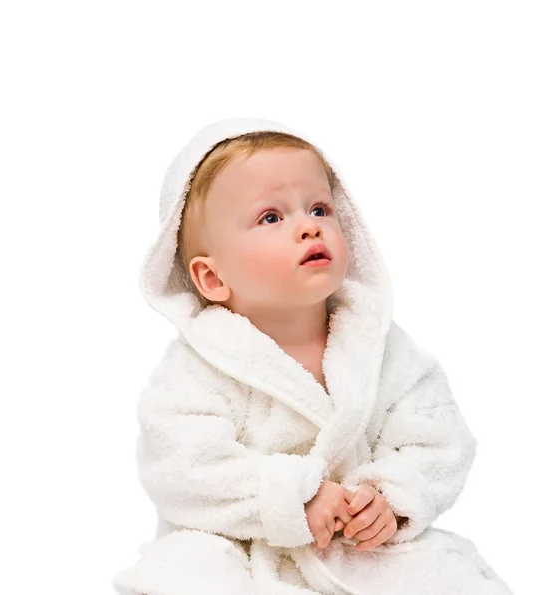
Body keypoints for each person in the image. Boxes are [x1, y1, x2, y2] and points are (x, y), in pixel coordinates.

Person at [112, 117, 513, 594]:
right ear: (213, 279)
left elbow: (438, 437)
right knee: (179, 573)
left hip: (360, 547)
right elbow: (183, 469)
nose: (307, 227)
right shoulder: (196, 368)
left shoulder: (379, 344)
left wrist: (390, 496)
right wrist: (289, 497)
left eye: (320, 208)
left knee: (450, 575)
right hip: (241, 547)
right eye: (271, 217)